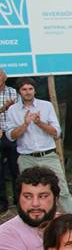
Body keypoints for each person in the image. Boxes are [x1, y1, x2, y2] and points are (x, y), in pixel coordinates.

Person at [6, 78, 72, 214]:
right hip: (26, 157)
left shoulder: (46, 106)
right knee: (30, 193)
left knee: (62, 190)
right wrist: (25, 124)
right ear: (19, 92)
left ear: (35, 90)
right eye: (24, 89)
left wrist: (39, 123)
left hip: (48, 155)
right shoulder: (13, 111)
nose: (28, 92)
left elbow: (56, 132)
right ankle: (34, 222)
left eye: (30, 89)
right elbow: (11, 136)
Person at [0, 68, 20, 212]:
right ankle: (2, 202)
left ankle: (18, 199)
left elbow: (21, 112)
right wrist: (3, 108)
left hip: (12, 136)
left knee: (16, 169)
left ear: (5, 78)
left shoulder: (14, 92)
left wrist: (13, 108)